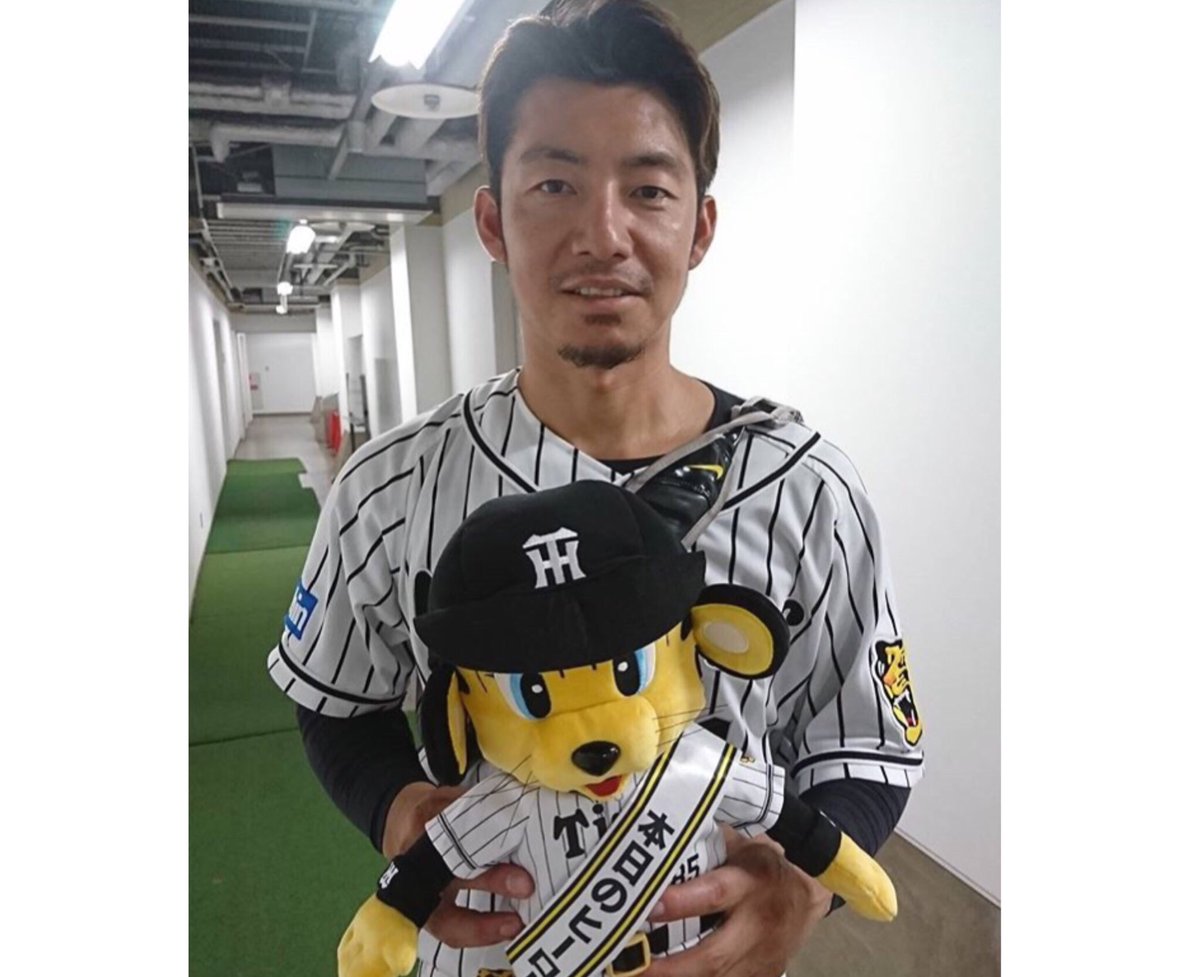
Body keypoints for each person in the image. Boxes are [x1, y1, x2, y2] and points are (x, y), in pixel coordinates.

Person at [266, 2, 925, 975]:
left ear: (699, 228)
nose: (603, 233)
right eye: (555, 184)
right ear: (493, 221)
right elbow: (338, 699)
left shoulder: (807, 486)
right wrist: (400, 808)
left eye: (648, 189)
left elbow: (864, 743)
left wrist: (809, 884)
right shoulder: (388, 488)